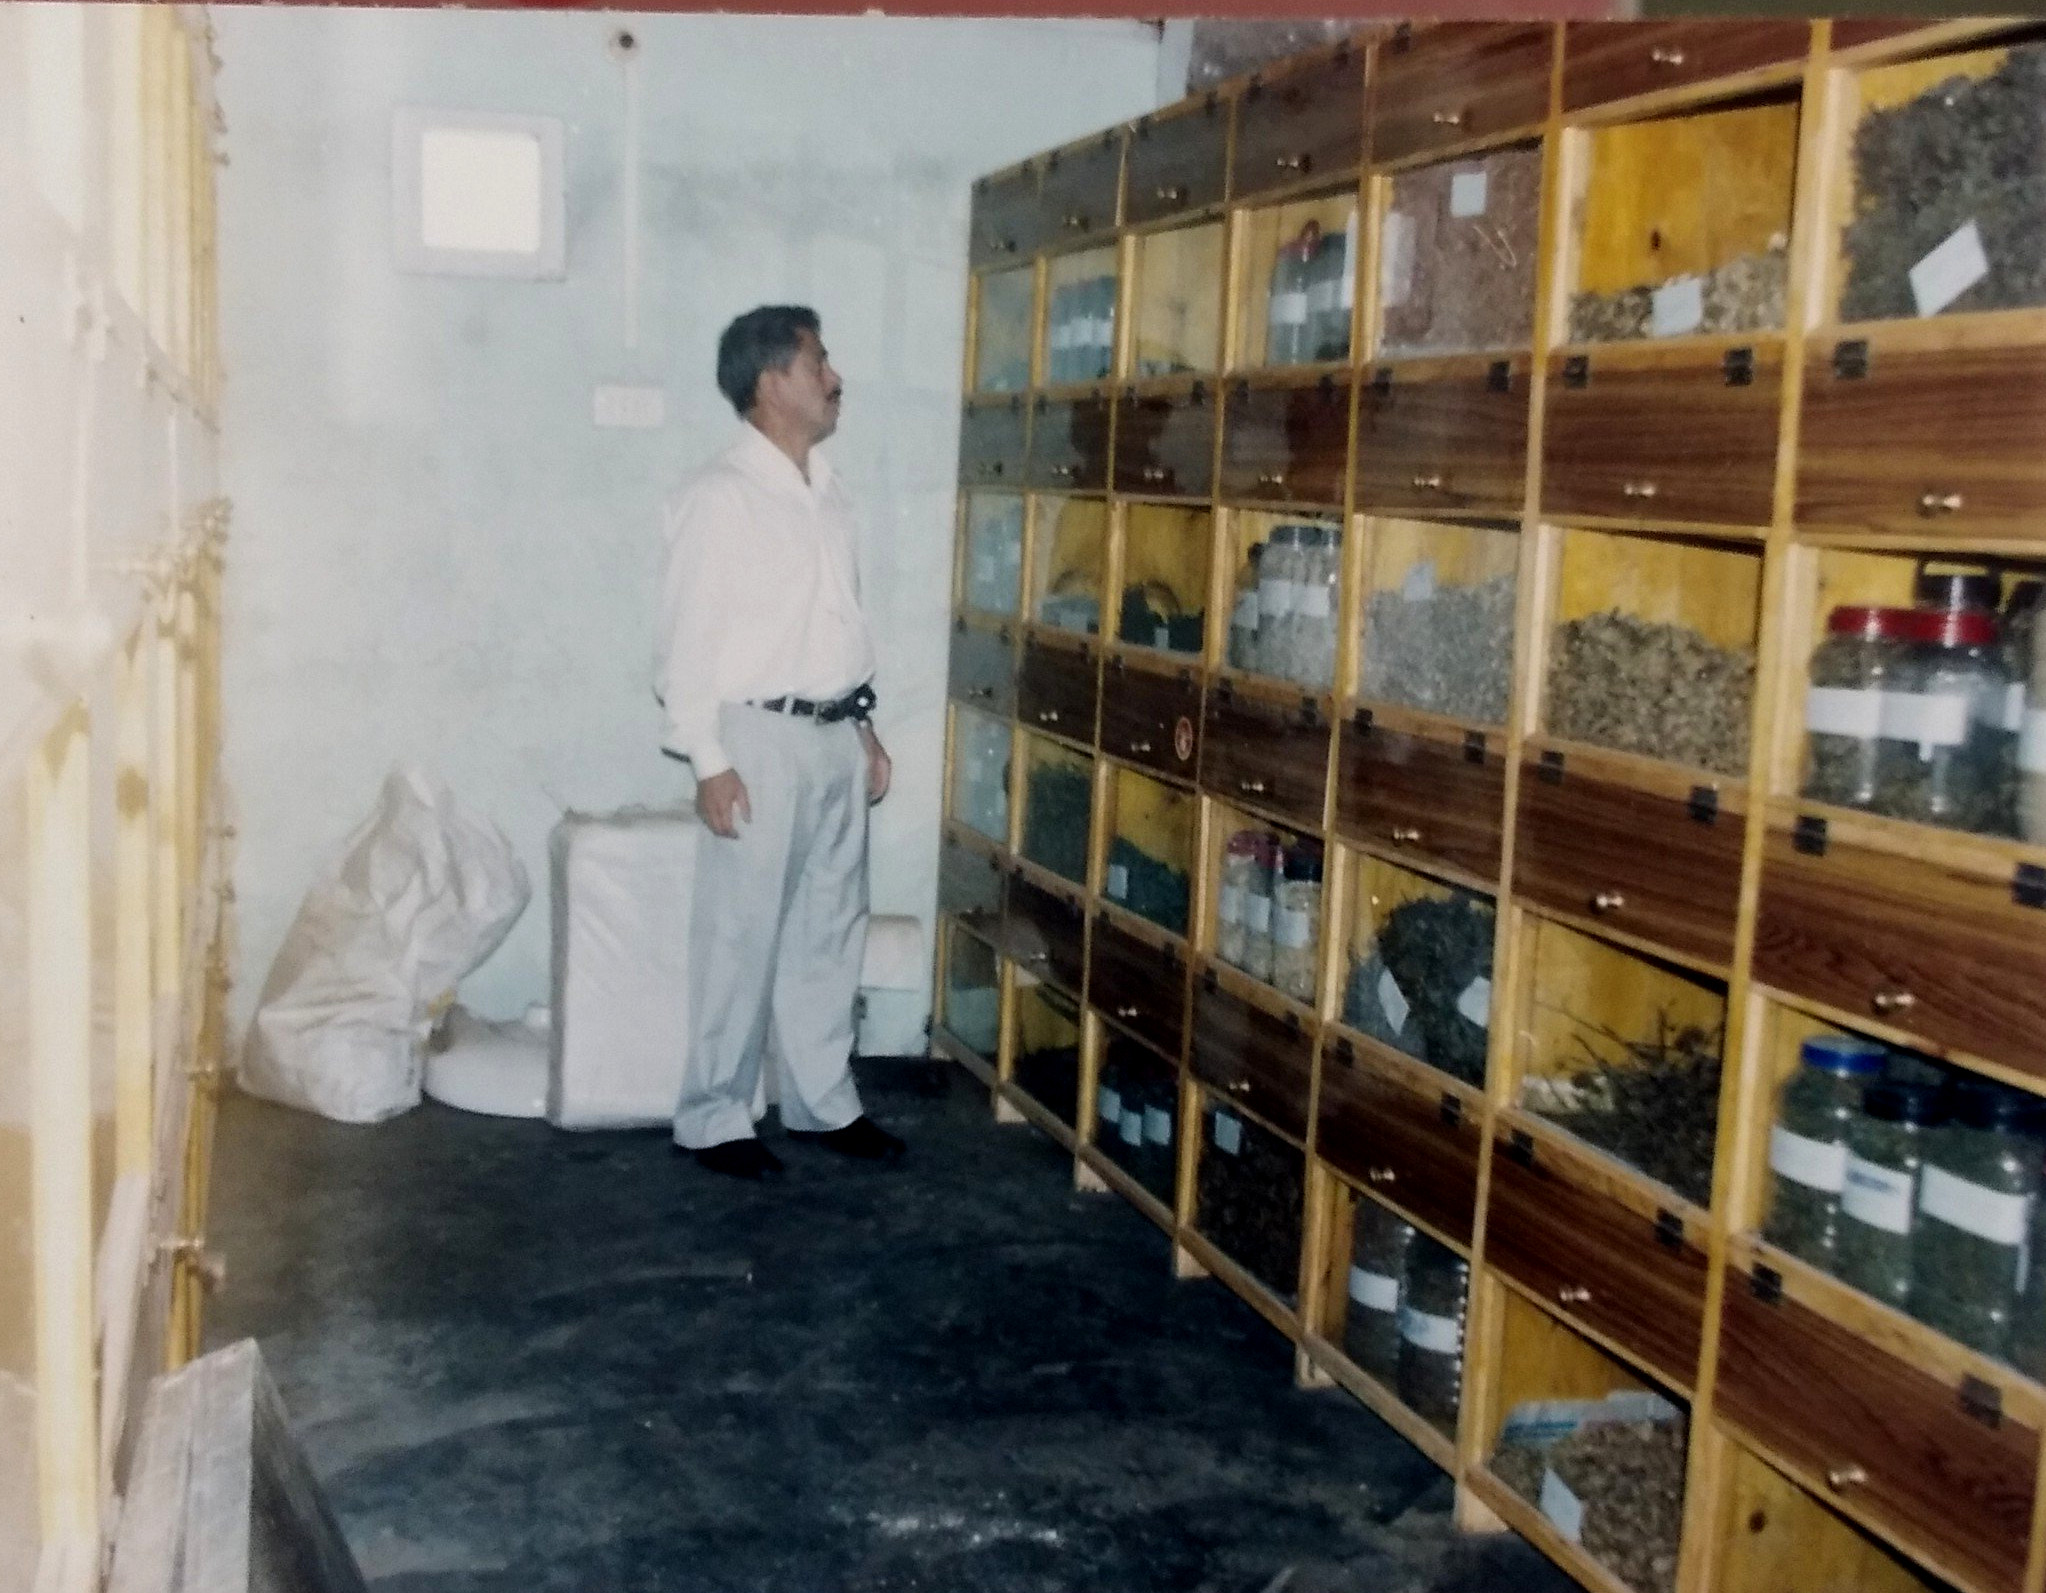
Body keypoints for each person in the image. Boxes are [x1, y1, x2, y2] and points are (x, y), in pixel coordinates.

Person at [655, 305, 906, 1180]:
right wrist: (706, 759)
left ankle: (822, 1102)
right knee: (740, 933)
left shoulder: (833, 492)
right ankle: (715, 1116)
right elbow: (684, 643)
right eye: (819, 363)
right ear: (771, 383)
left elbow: (841, 624)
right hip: (754, 737)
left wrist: (866, 731)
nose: (835, 378)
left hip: (836, 734)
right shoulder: (715, 497)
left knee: (829, 930)